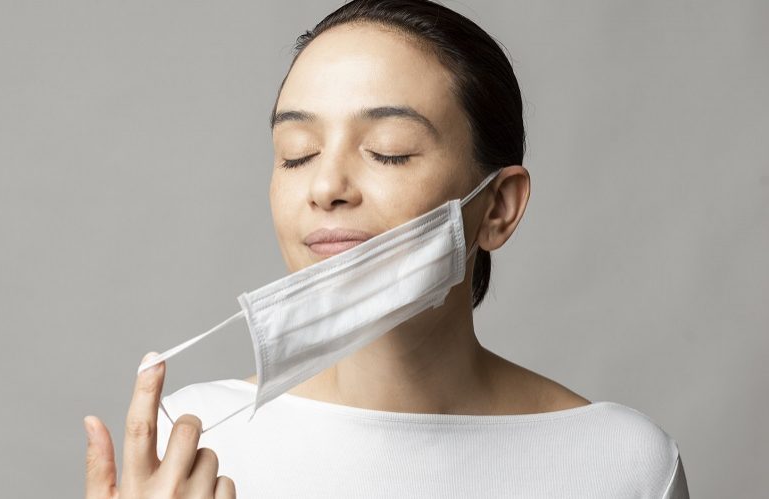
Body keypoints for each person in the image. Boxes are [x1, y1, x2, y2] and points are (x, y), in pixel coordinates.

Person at [82, 1, 689, 497]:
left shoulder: (622, 465)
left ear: (498, 206)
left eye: (389, 150)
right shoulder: (188, 445)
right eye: (297, 152)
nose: (325, 188)